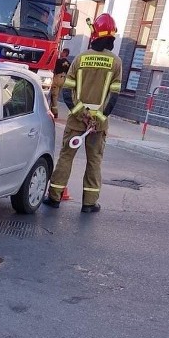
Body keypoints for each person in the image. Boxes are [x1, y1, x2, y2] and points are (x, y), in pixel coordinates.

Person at [44, 14, 123, 213]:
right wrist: (98, 118)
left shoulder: (80, 58)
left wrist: (83, 115)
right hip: (98, 125)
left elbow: (68, 93)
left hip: (76, 121)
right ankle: (89, 203)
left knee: (66, 157)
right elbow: (113, 96)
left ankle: (54, 197)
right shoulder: (116, 62)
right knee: (94, 161)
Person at [48, 46, 72, 118]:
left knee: (54, 95)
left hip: (57, 78)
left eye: (62, 52)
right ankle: (53, 110)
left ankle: (55, 112)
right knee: (57, 95)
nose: (61, 53)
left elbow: (54, 69)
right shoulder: (68, 63)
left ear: (65, 53)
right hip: (63, 79)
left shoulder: (58, 61)